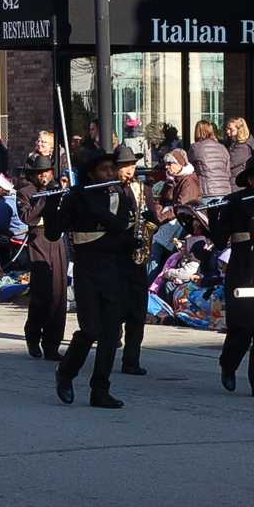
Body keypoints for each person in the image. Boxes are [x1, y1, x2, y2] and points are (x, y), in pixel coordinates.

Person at [54, 149, 135, 409]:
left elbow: (121, 227)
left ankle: (100, 389)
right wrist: (55, 204)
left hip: (113, 268)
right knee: (91, 329)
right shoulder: (76, 198)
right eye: (104, 170)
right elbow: (55, 232)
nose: (110, 174)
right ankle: (66, 372)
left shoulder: (120, 196)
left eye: (113, 170)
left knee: (111, 333)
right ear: (91, 174)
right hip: (87, 268)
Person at [212, 152, 254, 398]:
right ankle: (228, 364)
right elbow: (219, 240)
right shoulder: (235, 201)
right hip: (244, 268)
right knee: (243, 325)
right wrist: (214, 215)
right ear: (250, 181)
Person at [16, 154, 68, 361]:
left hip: (57, 242)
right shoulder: (25, 192)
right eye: (40, 173)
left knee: (59, 294)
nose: (44, 176)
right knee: (42, 293)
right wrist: (45, 197)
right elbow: (27, 218)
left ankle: (52, 343)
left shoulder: (58, 188)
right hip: (38, 241)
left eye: (47, 172)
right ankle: (33, 335)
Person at [114, 145, 151, 376]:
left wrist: (151, 224)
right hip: (117, 257)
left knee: (138, 311)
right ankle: (111, 346)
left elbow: (153, 218)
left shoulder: (143, 189)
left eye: (132, 165)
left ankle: (132, 359)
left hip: (138, 259)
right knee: (116, 308)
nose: (129, 170)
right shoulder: (110, 189)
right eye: (124, 166)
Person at [189, 119, 233, 201]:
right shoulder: (222, 147)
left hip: (206, 191)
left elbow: (189, 169)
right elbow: (228, 172)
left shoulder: (195, 147)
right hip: (225, 190)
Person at [224, 116, 254, 188]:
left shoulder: (243, 147)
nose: (227, 131)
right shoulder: (234, 143)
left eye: (231, 129)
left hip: (236, 183)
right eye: (227, 128)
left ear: (239, 130)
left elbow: (230, 163)